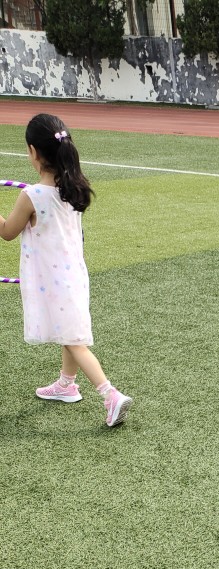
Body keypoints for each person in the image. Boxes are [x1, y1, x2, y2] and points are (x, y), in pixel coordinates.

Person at [0, 113, 132, 427]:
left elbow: (7, 232)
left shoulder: (32, 195)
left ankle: (110, 394)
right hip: (74, 276)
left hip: (52, 280)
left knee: (73, 340)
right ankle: (66, 385)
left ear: (33, 152)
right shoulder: (74, 188)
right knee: (69, 331)